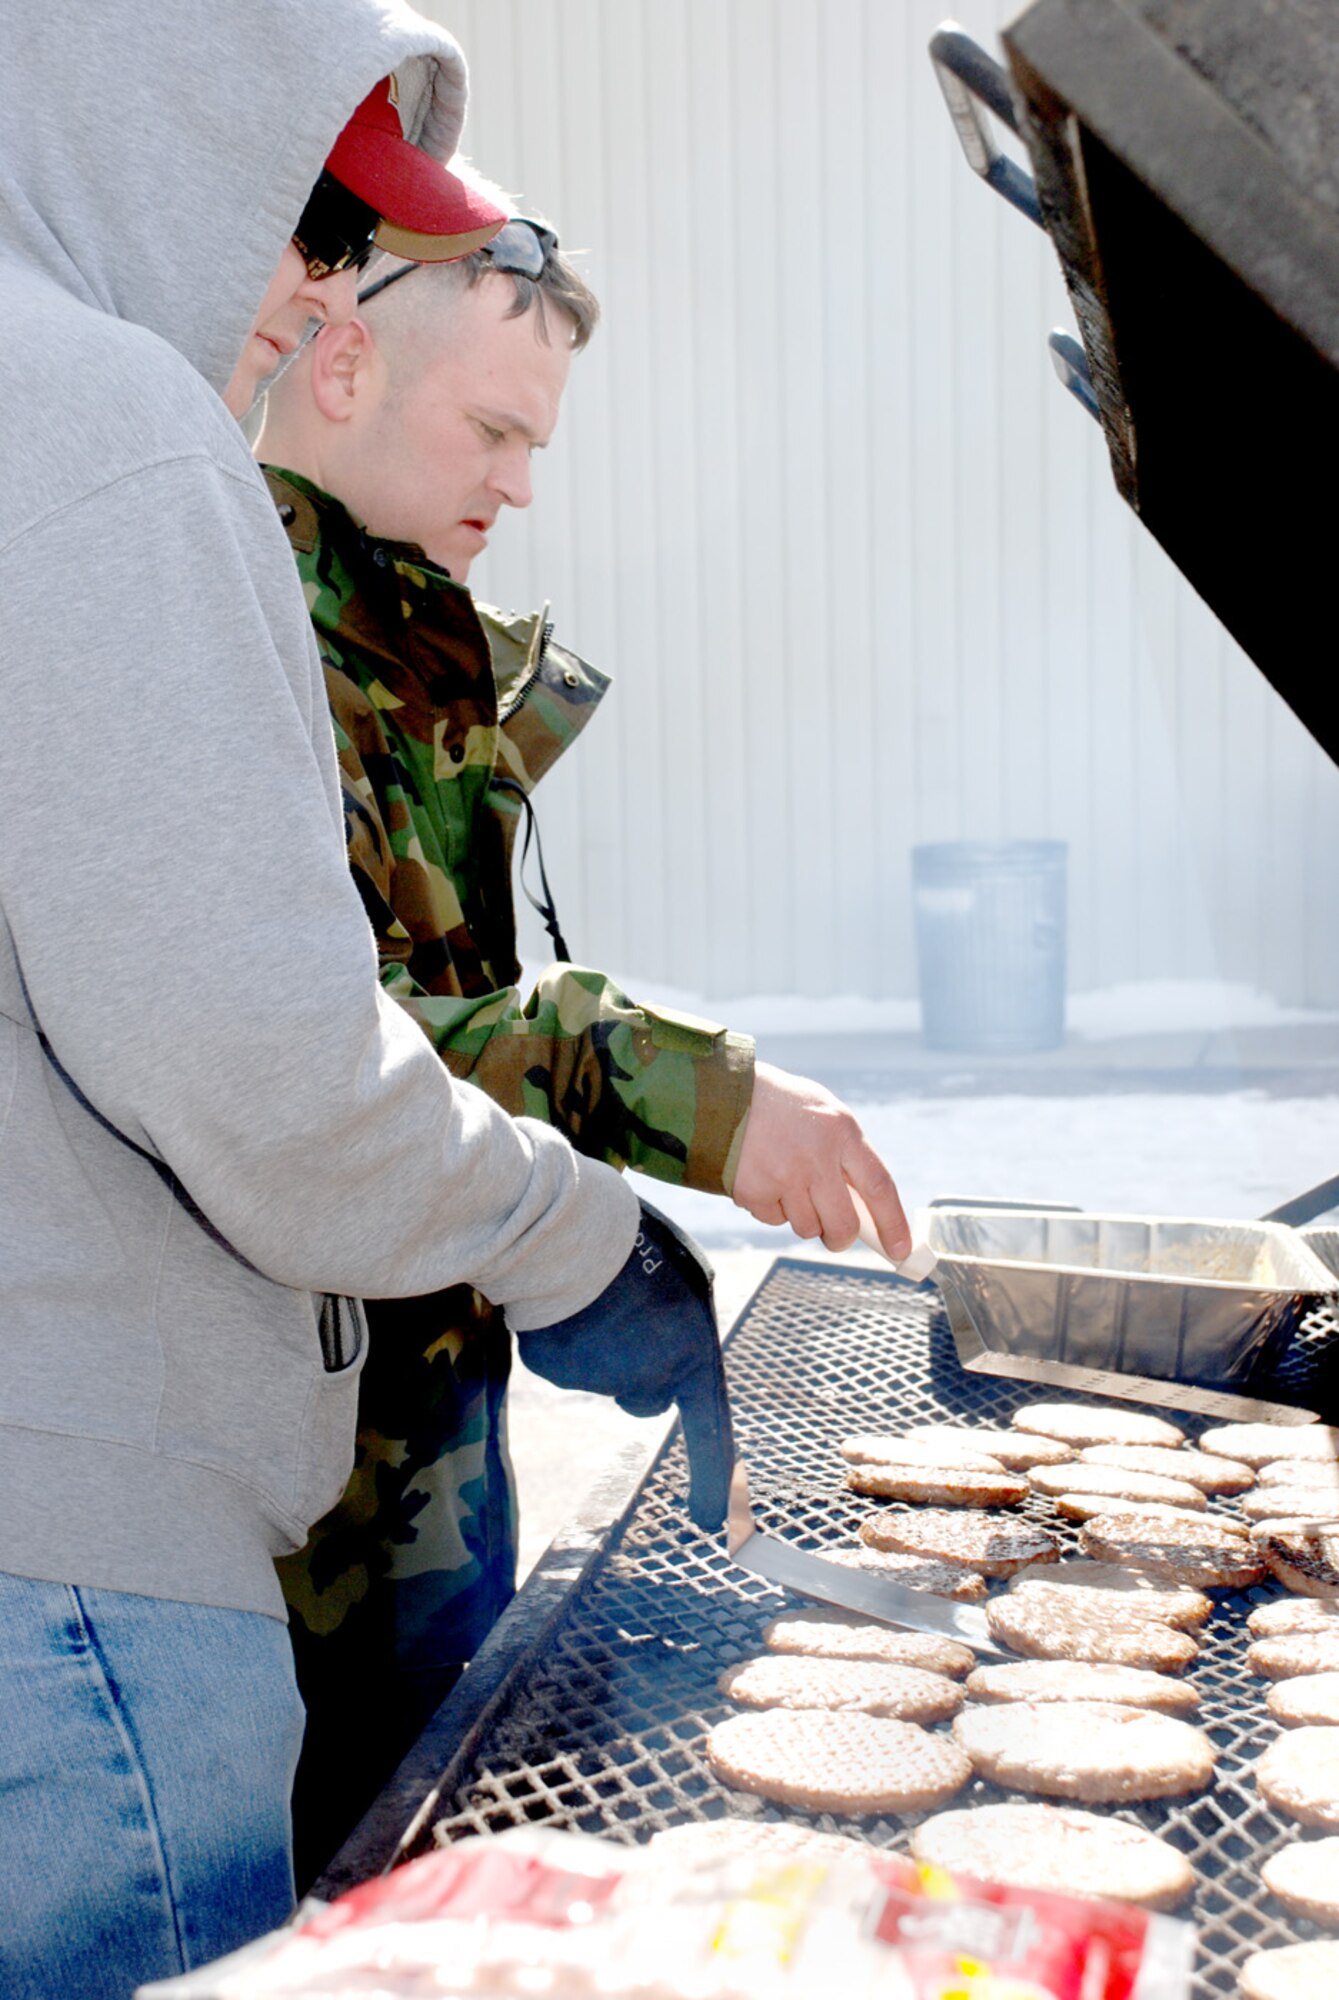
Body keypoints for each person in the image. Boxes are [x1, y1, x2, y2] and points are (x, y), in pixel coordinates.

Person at [0, 8, 748, 1993]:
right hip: (69, 1595)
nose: (320, 286)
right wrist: (576, 1231)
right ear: (157, 121)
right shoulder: (95, 416)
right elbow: (261, 1070)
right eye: (315, 223)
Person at [257, 204, 912, 1882]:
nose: (522, 483)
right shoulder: (241, 634)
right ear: (340, 362)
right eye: (492, 429)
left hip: (423, 1483)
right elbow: (300, 1051)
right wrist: (680, 1091)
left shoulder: (414, 642)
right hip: (280, 1551)